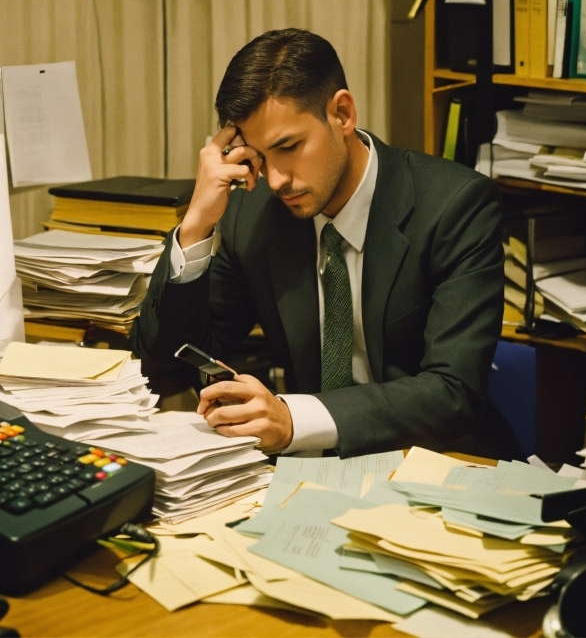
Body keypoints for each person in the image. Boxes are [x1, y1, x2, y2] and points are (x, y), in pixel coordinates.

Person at [132, 28, 510, 459]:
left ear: (343, 114)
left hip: (433, 463)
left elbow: (453, 393)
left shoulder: (455, 207)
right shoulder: (253, 213)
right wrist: (196, 226)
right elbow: (165, 369)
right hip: (309, 471)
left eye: (289, 147)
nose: (275, 180)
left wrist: (295, 419)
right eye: (258, 156)